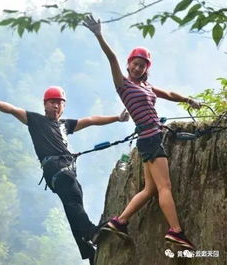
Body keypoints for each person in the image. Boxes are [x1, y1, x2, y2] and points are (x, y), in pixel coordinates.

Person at [83, 15, 202, 250]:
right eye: (134, 64)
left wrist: (189, 100)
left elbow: (167, 93)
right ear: (128, 65)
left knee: (149, 189)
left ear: (147, 68)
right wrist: (99, 34)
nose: (137, 67)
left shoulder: (146, 86)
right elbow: (112, 58)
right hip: (149, 138)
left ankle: (120, 221)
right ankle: (176, 232)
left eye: (142, 65)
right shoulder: (123, 84)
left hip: (149, 138)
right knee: (164, 187)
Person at [0, 85, 129, 265]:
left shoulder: (65, 125)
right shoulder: (36, 121)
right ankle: (91, 232)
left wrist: (118, 118)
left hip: (65, 170)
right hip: (56, 168)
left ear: (63, 106)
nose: (56, 106)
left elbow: (90, 120)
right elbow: (13, 110)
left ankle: (88, 250)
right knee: (73, 196)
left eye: (59, 103)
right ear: (45, 105)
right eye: (52, 103)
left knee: (73, 204)